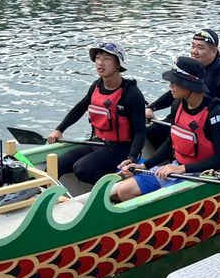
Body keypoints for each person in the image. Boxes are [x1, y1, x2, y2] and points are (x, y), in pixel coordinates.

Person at [112, 57, 220, 202]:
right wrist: (143, 165)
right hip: (179, 169)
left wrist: (182, 169)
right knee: (124, 191)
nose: (170, 87)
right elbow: (170, 143)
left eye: (174, 83)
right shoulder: (178, 105)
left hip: (205, 175)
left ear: (189, 85)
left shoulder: (215, 113)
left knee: (125, 192)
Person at [47, 41, 146, 185]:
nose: (100, 63)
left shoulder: (131, 94)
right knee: (55, 166)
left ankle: (118, 188)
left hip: (122, 149)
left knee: (82, 168)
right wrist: (59, 129)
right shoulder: (96, 86)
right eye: (98, 58)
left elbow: (140, 133)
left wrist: (131, 159)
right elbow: (80, 107)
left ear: (118, 64)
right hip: (99, 142)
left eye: (107, 59)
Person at [145, 29, 220, 149]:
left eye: (200, 47)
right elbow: (175, 90)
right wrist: (152, 107)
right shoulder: (191, 66)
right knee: (152, 132)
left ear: (213, 51)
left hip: (209, 120)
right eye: (192, 46)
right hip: (185, 113)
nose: (194, 51)